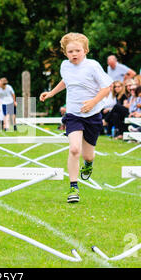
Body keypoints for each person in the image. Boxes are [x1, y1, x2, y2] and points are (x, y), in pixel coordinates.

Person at [39, 32, 112, 203]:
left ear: (85, 50)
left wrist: (93, 103)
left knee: (88, 156)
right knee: (74, 149)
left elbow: (107, 87)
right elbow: (66, 81)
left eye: (78, 51)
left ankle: (88, 165)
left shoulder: (93, 66)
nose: (74, 54)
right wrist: (51, 93)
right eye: (70, 51)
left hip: (92, 114)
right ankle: (73, 187)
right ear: (65, 53)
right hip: (73, 114)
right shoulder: (65, 66)